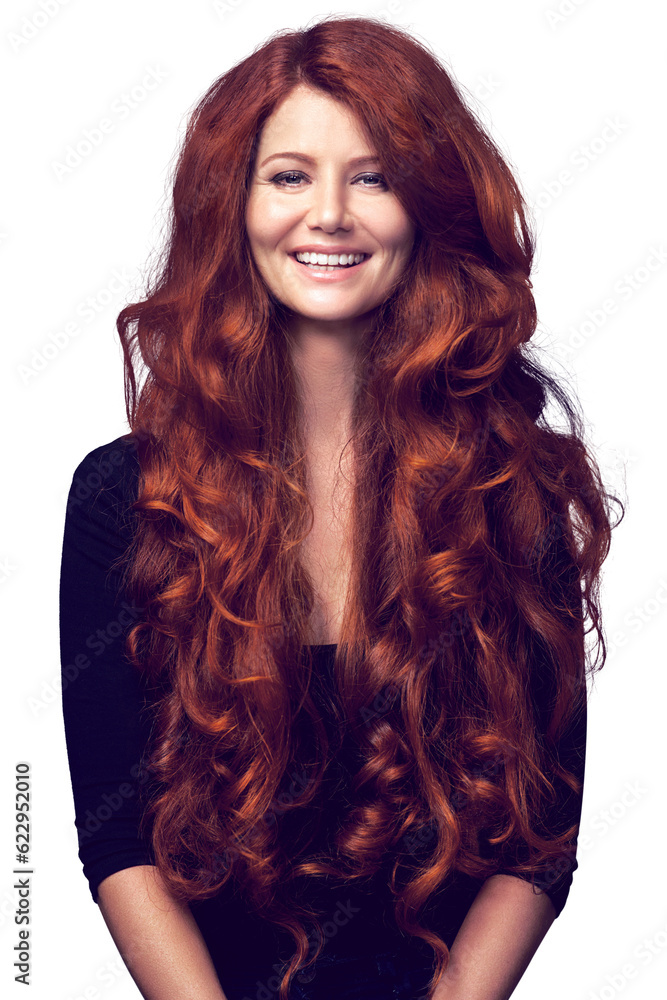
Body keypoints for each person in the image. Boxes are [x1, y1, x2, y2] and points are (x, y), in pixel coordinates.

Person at [59, 14, 621, 1000]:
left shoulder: (513, 490)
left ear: (430, 208)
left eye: (373, 176)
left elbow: (541, 843)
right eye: (287, 176)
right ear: (230, 207)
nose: (329, 214)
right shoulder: (124, 497)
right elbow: (118, 839)